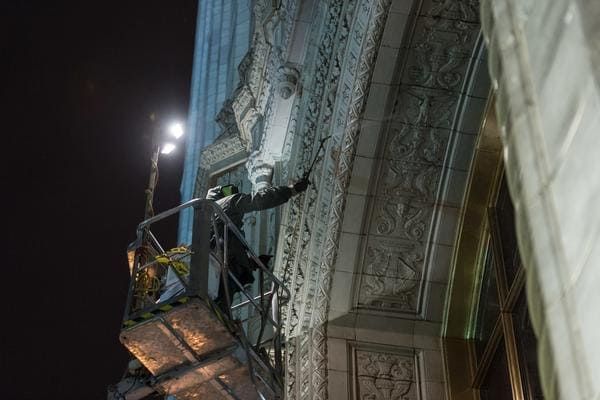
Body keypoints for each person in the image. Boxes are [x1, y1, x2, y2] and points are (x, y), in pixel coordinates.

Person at [206, 178, 309, 309]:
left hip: (216, 270)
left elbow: (226, 247)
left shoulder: (208, 221)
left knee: (217, 305)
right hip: (223, 269)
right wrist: (290, 190)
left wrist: (252, 263)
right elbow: (258, 200)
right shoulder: (225, 204)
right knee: (221, 304)